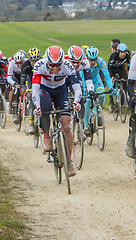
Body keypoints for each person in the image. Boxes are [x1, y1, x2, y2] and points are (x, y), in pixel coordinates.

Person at [32, 46, 81, 177]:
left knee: (67, 127)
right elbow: (35, 89)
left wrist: (76, 102)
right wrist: (37, 107)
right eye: (51, 66)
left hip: (60, 91)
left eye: (58, 66)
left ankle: (69, 161)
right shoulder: (39, 65)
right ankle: (46, 136)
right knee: (45, 106)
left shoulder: (68, 66)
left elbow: (76, 86)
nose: (54, 69)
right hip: (44, 89)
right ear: (46, 62)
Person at [80, 46, 115, 136]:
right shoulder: (83, 63)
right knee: (88, 101)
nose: (93, 62)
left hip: (96, 81)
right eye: (91, 60)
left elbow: (106, 76)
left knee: (102, 95)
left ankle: (98, 112)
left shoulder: (101, 61)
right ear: (87, 58)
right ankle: (86, 126)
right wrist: (85, 91)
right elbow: (83, 79)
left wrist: (111, 87)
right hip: (86, 82)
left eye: (94, 60)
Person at [67, 45, 94, 127]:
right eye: (73, 62)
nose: (75, 65)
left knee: (81, 95)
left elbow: (88, 80)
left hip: (75, 76)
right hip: (64, 78)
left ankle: (81, 123)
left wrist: (91, 91)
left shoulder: (85, 62)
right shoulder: (64, 61)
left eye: (77, 62)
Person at [20, 47, 42, 134]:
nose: (35, 62)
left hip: (41, 80)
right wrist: (26, 90)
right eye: (33, 61)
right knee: (32, 99)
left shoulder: (43, 63)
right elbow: (22, 82)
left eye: (37, 60)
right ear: (29, 60)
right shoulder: (25, 65)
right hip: (31, 80)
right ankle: (31, 124)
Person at [108, 43, 130, 111]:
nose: (123, 54)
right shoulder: (114, 56)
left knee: (124, 82)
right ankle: (111, 103)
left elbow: (129, 67)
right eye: (121, 52)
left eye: (124, 52)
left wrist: (128, 76)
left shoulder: (127, 57)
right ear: (118, 52)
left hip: (120, 69)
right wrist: (111, 76)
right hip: (112, 69)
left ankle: (123, 101)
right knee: (113, 86)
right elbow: (109, 67)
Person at [7, 51, 26, 123]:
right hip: (15, 78)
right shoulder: (11, 63)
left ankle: (25, 106)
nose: (19, 65)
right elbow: (9, 77)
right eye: (17, 63)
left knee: (24, 90)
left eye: (21, 63)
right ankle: (14, 113)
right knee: (15, 90)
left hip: (23, 77)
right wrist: (14, 84)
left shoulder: (27, 62)